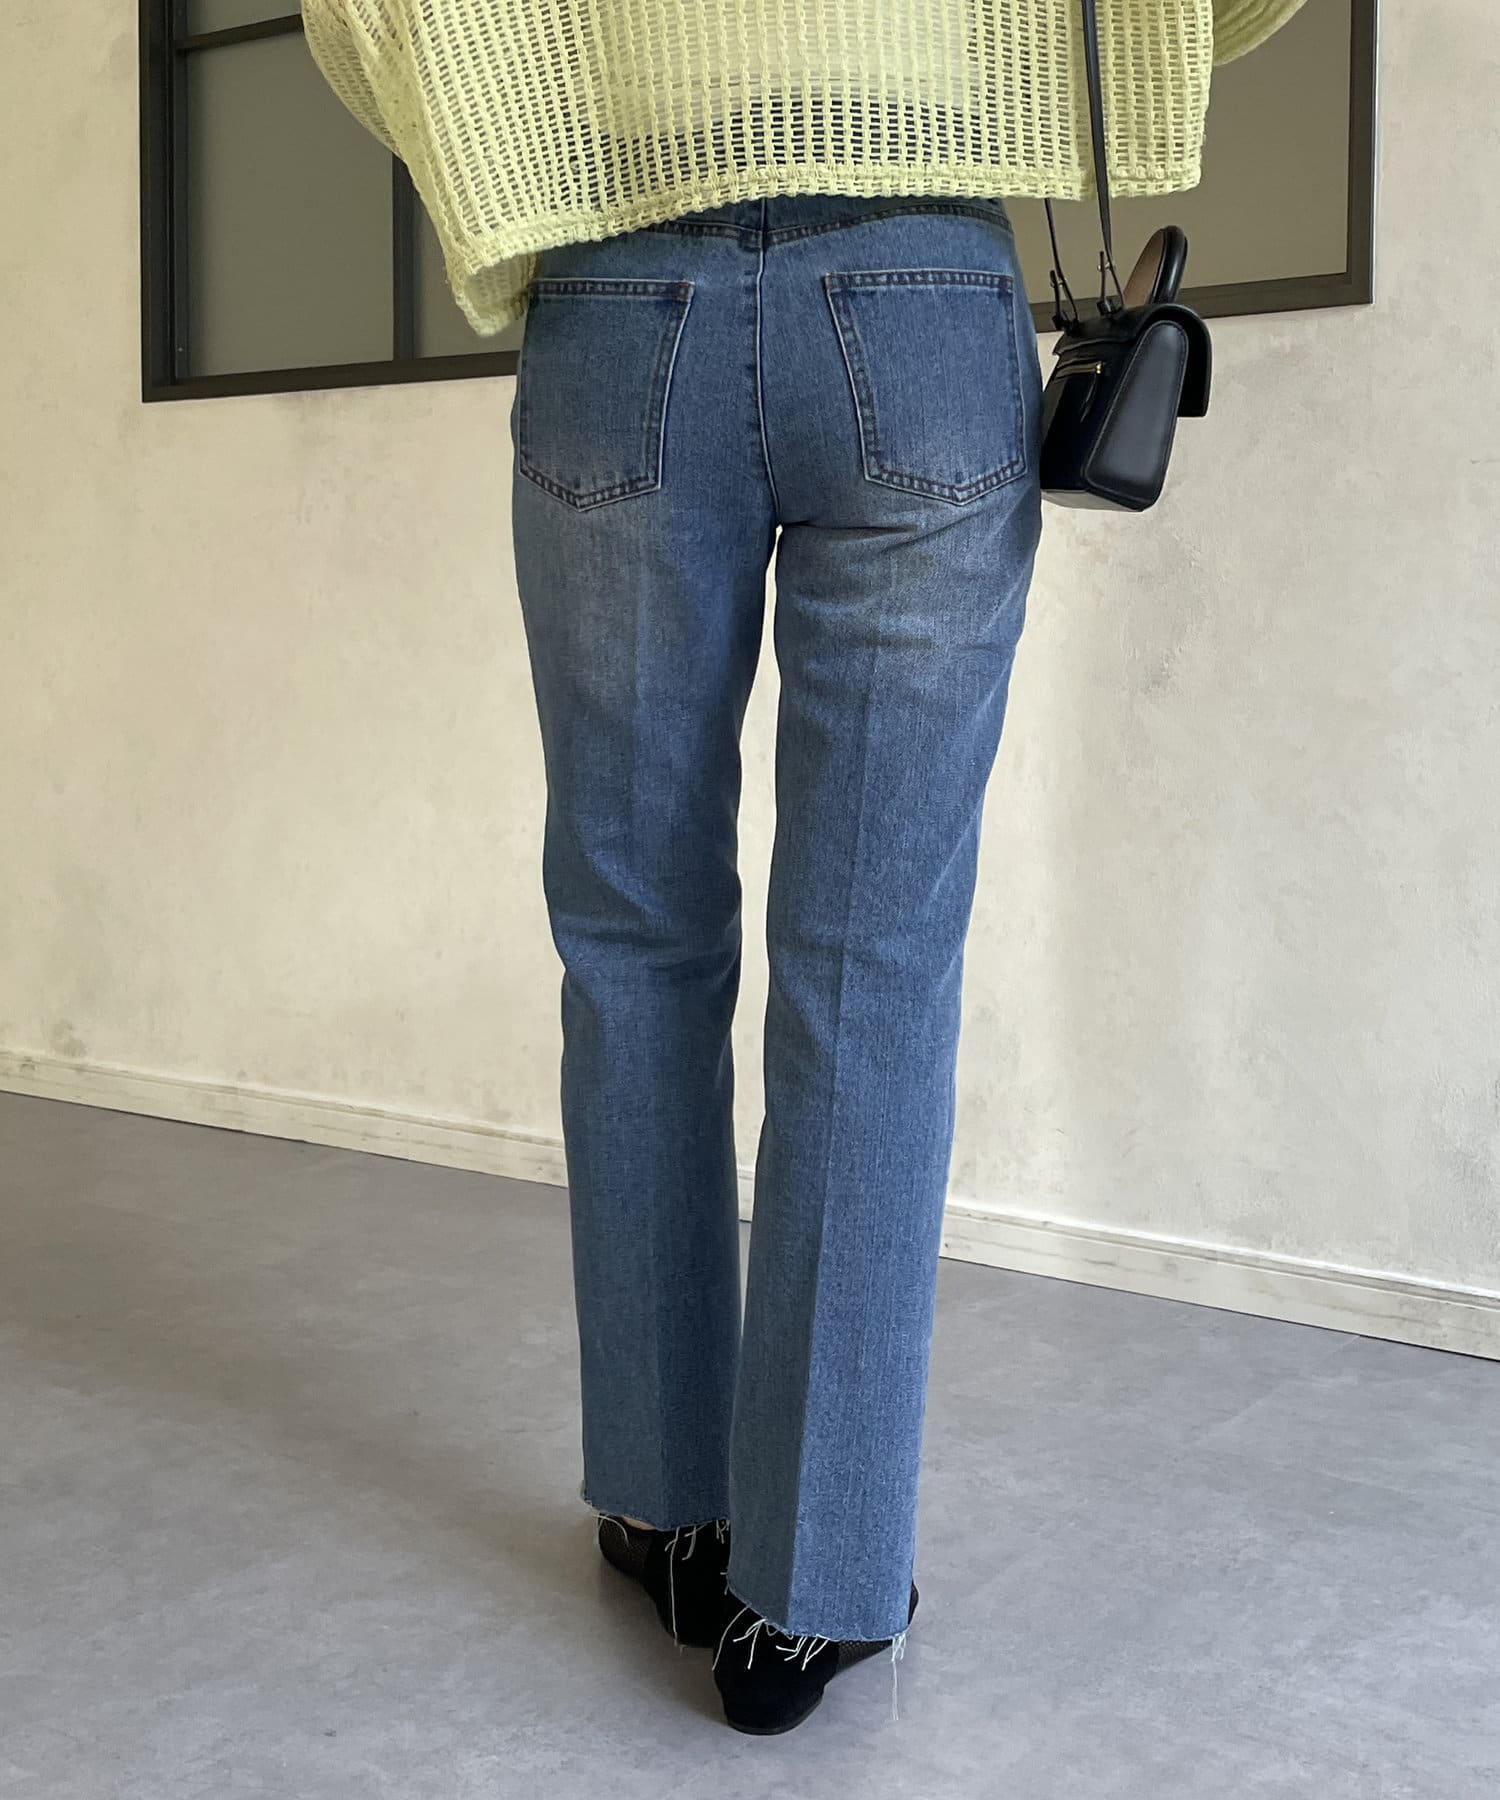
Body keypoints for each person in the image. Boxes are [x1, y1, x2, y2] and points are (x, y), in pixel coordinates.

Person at [303, 0, 1306, 1736]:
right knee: (873, 964)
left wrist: (508, 132)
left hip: (618, 296)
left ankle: (670, 1512)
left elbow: (361, 15)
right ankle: (814, 1586)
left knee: (632, 941)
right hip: (920, 296)